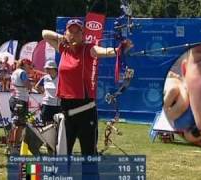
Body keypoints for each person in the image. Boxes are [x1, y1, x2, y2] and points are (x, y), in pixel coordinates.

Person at [42, 18, 133, 155]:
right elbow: (45, 34)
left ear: (83, 34)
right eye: (70, 31)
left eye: (77, 31)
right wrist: (64, 38)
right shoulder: (64, 49)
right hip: (66, 110)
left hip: (85, 110)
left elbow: (104, 51)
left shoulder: (88, 49)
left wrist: (118, 50)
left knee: (88, 154)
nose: (73, 34)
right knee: (62, 153)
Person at [8, 59, 33, 154]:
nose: (30, 66)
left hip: (13, 98)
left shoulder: (15, 72)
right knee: (19, 124)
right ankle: (15, 146)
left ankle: (10, 145)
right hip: (20, 99)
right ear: (24, 64)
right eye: (29, 64)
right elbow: (28, 86)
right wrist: (30, 85)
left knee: (15, 123)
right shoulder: (23, 72)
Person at [34, 60, 61, 125]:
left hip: (57, 105)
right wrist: (44, 93)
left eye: (48, 68)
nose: (47, 70)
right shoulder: (45, 78)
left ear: (54, 68)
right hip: (46, 104)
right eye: (46, 69)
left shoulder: (60, 78)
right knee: (47, 124)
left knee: (58, 124)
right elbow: (36, 87)